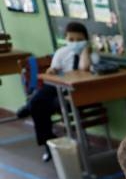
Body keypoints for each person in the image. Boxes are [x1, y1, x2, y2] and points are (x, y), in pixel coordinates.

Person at [17, 22, 97, 162]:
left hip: (75, 90)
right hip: (57, 86)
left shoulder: (91, 54)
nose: (75, 43)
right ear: (65, 39)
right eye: (71, 40)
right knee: (38, 101)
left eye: (79, 40)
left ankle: (29, 108)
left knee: (43, 106)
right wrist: (52, 71)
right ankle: (48, 142)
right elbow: (53, 71)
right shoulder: (61, 53)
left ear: (86, 39)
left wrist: (85, 51)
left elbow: (85, 68)